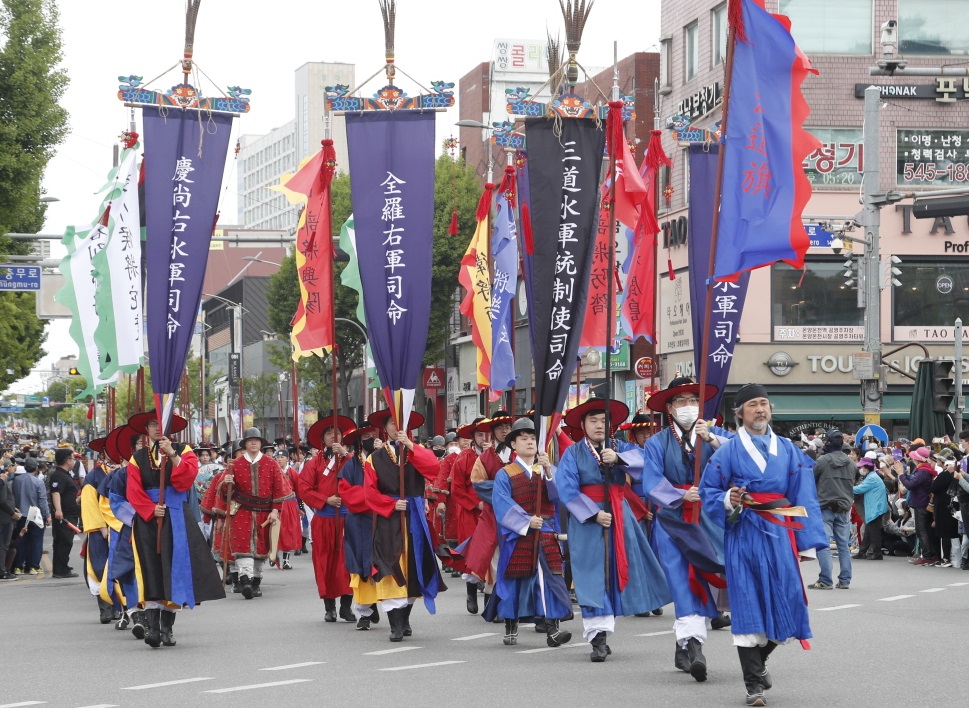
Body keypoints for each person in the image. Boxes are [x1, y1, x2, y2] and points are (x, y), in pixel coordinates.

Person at [699, 384, 826, 708]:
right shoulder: (725, 452)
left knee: (789, 600)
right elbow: (708, 491)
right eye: (753, 405)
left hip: (781, 534)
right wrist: (729, 498)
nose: (760, 409)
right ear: (739, 413)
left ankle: (761, 661)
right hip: (744, 534)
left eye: (764, 404)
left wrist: (806, 540)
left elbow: (804, 493)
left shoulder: (787, 448)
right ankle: (753, 683)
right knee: (748, 603)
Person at [556, 398, 672, 663]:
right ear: (583, 425)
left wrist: (618, 459)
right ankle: (597, 638)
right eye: (593, 420)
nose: (599, 425)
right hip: (587, 518)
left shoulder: (621, 447)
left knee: (616, 570)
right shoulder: (572, 453)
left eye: (603, 420)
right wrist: (594, 513)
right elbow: (566, 489)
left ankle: (609, 629)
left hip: (619, 514)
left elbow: (647, 467)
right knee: (590, 574)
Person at [640, 377, 729, 681]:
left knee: (710, 573)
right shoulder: (656, 442)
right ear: (669, 407)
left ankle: (685, 645)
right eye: (681, 401)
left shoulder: (714, 434)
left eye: (693, 400)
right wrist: (679, 495)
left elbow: (740, 457)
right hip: (673, 518)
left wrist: (715, 441)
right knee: (681, 579)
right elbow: (651, 481)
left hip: (708, 516)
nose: (688, 406)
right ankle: (694, 647)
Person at [126, 412, 225, 647]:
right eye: (152, 425)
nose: (156, 428)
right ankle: (152, 628)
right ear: (146, 430)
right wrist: (150, 510)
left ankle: (167, 629)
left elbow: (186, 479)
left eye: (160, 424)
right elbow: (133, 489)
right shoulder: (137, 457)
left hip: (176, 517)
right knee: (151, 568)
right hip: (149, 519)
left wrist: (172, 454)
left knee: (173, 568)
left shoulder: (184, 450)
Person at [486, 417, 572, 648]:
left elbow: (559, 496)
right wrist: (524, 521)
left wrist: (548, 471)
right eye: (523, 438)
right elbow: (501, 503)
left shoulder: (546, 469)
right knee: (515, 579)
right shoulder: (506, 473)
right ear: (513, 444)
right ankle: (511, 624)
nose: (529, 442)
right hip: (518, 533)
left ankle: (552, 628)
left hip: (545, 529)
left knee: (550, 578)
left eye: (533, 438)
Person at [362, 409, 446, 642]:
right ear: (385, 427)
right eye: (391, 423)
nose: (396, 427)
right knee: (392, 565)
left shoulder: (415, 453)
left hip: (415, 518)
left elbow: (433, 469)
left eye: (401, 424)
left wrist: (410, 444)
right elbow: (369, 492)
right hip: (390, 519)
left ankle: (405, 618)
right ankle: (395, 624)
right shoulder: (374, 458)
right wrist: (390, 504)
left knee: (413, 567)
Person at [213, 427, 293, 600]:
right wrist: (227, 483)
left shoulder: (271, 463)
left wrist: (275, 510)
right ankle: (245, 580)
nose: (254, 443)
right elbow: (225, 494)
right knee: (242, 546)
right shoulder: (234, 464)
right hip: (242, 511)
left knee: (261, 549)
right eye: (250, 440)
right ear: (245, 444)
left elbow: (279, 489)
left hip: (265, 512)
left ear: (261, 443)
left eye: (257, 440)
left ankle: (256, 581)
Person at [298, 416, 356, 622]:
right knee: (325, 563)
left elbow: (364, 481)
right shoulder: (314, 463)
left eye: (338, 432)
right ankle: (329, 607)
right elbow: (303, 488)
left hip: (348, 520)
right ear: (323, 438)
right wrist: (325, 499)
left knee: (348, 563)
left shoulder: (352, 460)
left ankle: (346, 606)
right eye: (329, 433)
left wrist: (348, 457)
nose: (334, 436)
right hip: (324, 519)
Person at [462, 412, 514, 610]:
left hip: (518, 513)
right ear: (492, 432)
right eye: (500, 427)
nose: (504, 430)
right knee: (494, 557)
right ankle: (493, 600)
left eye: (508, 427)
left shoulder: (521, 454)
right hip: (493, 514)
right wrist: (506, 490)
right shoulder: (484, 458)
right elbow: (477, 483)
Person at [337, 421, 381, 630]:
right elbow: (346, 492)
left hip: (382, 518)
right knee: (360, 567)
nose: (371, 440)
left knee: (382, 563)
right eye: (366, 437)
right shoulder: (351, 465)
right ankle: (364, 610)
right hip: (359, 521)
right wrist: (372, 498)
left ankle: (385, 605)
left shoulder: (386, 459)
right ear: (358, 442)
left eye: (374, 435)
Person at [448, 416, 488, 612]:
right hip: (471, 512)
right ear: (473, 437)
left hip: (493, 510)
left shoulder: (500, 456)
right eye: (480, 434)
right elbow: (456, 489)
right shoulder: (464, 458)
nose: (484, 438)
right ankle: (471, 592)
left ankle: (490, 600)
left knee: (492, 552)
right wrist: (475, 503)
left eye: (487, 433)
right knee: (472, 553)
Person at [808, 428, 854, 589]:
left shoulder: (822, 460)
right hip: (844, 507)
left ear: (827, 443)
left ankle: (825, 580)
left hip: (825, 507)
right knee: (843, 546)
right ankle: (845, 580)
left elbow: (810, 480)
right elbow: (854, 482)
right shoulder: (851, 463)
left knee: (823, 544)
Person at [899, 446, 938, 566]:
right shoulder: (925, 469)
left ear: (918, 459)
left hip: (920, 503)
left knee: (921, 530)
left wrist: (901, 474)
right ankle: (930, 554)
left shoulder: (922, 471)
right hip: (922, 502)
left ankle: (927, 555)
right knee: (924, 530)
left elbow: (910, 485)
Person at [11, 455, 49, 575]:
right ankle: (33, 566)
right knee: (36, 540)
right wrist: (47, 515)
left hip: (20, 514)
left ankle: (18, 566)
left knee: (21, 540)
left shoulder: (16, 480)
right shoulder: (38, 481)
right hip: (35, 514)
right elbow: (42, 500)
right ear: (36, 468)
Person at [48, 447, 81, 579]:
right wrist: (59, 510)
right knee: (64, 541)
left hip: (70, 513)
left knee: (65, 541)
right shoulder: (58, 475)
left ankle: (62, 566)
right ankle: (61, 570)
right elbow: (56, 492)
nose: (74, 462)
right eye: (73, 459)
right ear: (67, 460)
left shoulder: (65, 474)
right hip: (64, 515)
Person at [852, 456, 889, 561]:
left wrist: (846, 487)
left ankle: (877, 553)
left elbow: (860, 489)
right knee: (869, 532)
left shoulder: (872, 478)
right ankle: (862, 552)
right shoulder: (872, 476)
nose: (860, 469)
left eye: (861, 467)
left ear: (866, 467)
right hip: (876, 507)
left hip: (875, 508)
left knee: (874, 533)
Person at [0, 459, 22, 581]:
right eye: (13, 466)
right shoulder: (2, 480)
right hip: (4, 518)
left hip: (6, 516)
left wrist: (13, 508)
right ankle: (2, 571)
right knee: (3, 545)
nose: (14, 469)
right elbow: (2, 500)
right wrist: (12, 513)